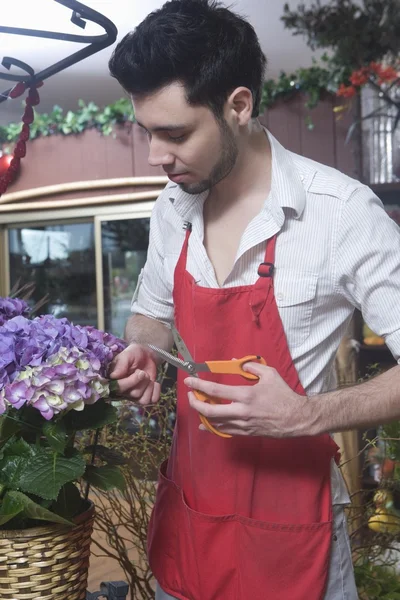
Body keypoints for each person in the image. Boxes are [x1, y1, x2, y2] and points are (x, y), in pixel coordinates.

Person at [108, 1, 400, 598]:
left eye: (176, 133)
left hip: (292, 529)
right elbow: (151, 317)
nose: (156, 157)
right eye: (147, 132)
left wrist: (306, 414)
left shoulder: (343, 214)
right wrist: (144, 350)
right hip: (190, 512)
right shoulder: (173, 207)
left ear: (238, 106)